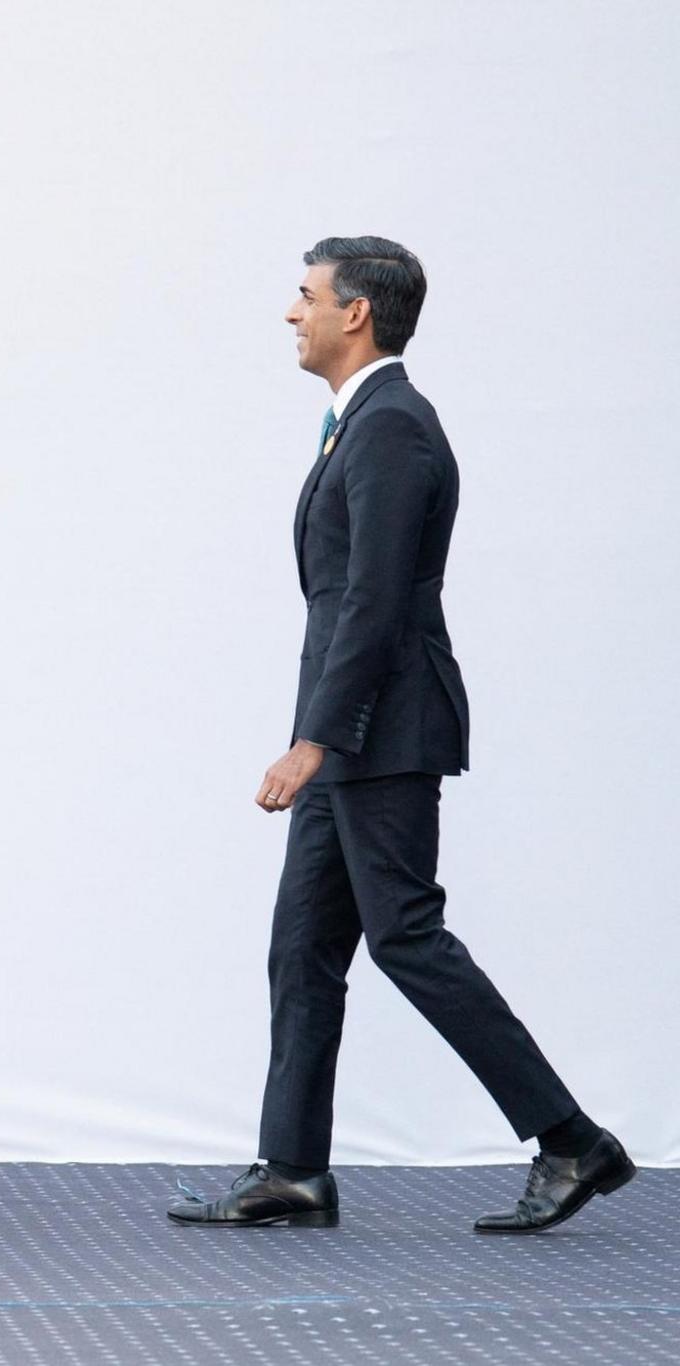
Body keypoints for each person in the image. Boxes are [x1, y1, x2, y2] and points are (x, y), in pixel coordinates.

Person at [168, 236, 632, 1234]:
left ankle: (569, 1139)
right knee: (301, 949)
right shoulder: (356, 425)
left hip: (377, 731)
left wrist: (315, 738)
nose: (289, 314)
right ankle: (291, 1168)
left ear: (355, 315)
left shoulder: (391, 429)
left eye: (304, 297)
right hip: (349, 734)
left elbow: (371, 605)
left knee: (405, 936)